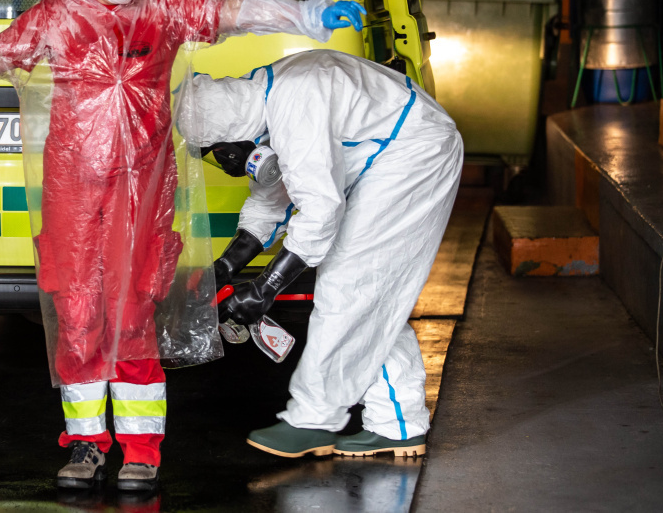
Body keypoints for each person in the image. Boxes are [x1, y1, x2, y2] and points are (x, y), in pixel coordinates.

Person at [0, 0, 366, 490]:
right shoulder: (58, 18)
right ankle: (85, 444)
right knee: (77, 314)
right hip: (73, 192)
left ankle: (142, 451)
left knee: (132, 316)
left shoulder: (164, 10)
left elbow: (235, 12)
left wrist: (308, 13)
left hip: (143, 192)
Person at [179, 49, 463, 459]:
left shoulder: (292, 100)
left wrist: (266, 287)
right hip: (383, 158)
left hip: (413, 158)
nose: (226, 163)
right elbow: (271, 202)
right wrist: (223, 269)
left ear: (229, 134)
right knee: (373, 297)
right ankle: (397, 422)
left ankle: (312, 420)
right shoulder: (263, 97)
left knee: (349, 288)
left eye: (219, 152)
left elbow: (319, 209)